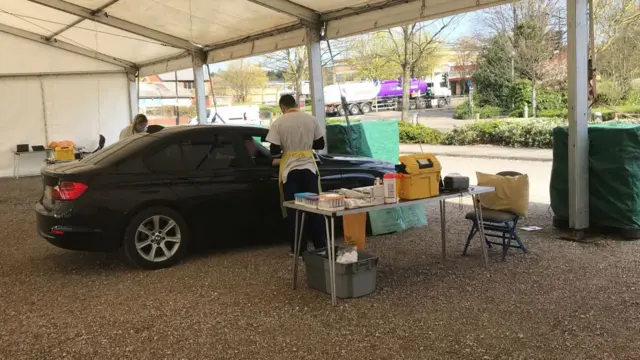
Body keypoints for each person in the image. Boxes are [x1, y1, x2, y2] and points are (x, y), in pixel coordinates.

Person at [266, 94, 326, 255]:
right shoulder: (311, 119)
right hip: (309, 167)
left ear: (282, 107)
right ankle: (321, 246)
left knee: (294, 210)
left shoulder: (278, 123)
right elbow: (320, 144)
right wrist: (304, 144)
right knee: (316, 208)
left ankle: (299, 249)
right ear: (296, 104)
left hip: (290, 170)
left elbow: (273, 150)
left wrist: (289, 146)